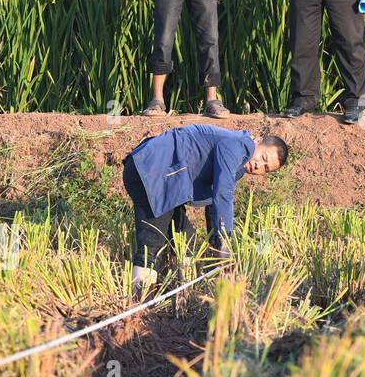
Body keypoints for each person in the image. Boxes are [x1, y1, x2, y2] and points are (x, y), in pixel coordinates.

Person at [123, 124, 288, 294]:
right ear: (259, 142)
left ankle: (182, 297)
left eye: (265, 168)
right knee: (152, 245)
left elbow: (213, 202)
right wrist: (225, 241)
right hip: (153, 172)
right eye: (263, 157)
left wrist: (217, 244)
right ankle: (138, 307)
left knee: (187, 242)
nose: (258, 166)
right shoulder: (241, 145)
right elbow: (222, 192)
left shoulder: (239, 166)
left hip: (168, 183)